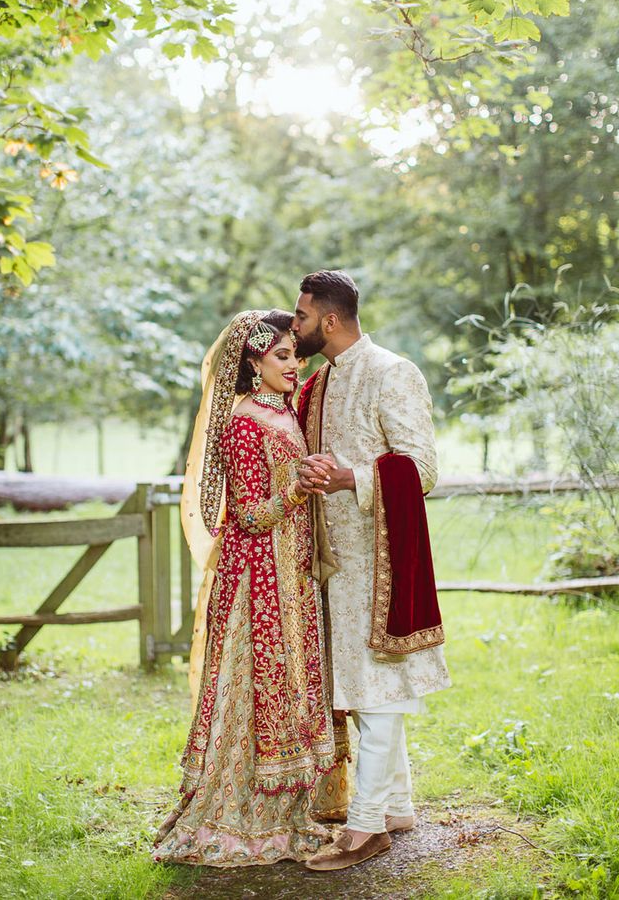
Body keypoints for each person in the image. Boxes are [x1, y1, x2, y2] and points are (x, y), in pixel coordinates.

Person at [152, 309, 348, 867]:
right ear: (252, 361)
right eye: (282, 355)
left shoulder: (281, 410)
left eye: (295, 354)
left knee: (287, 687)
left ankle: (288, 816)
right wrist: (301, 488)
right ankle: (235, 819)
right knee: (250, 690)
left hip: (291, 574)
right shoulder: (244, 421)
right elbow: (251, 513)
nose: (294, 364)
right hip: (256, 578)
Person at [292, 270, 451, 872]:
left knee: (377, 691)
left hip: (380, 559)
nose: (297, 324)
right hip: (332, 563)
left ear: (329, 320)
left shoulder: (392, 372)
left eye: (302, 315)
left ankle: (364, 830)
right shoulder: (320, 382)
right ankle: (397, 805)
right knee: (363, 692)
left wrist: (350, 476)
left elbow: (423, 467)